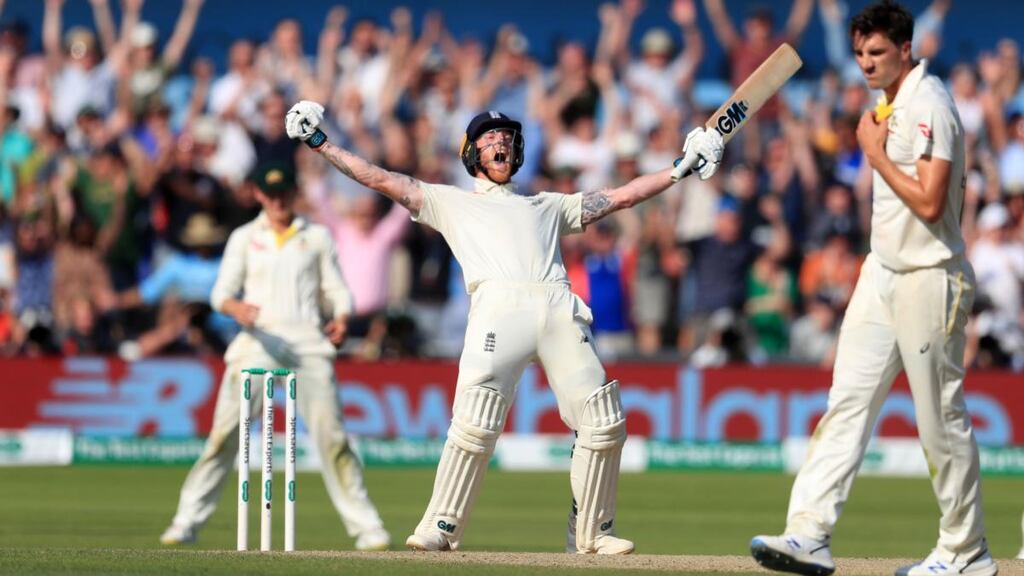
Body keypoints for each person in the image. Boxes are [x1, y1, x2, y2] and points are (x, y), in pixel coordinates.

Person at [284, 100, 723, 553]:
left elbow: (621, 196)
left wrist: (680, 167)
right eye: (490, 139)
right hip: (497, 307)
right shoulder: (449, 201)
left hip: (557, 305)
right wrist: (321, 143)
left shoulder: (547, 204)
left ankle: (592, 534)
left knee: (604, 422)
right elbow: (378, 177)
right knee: (474, 426)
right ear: (472, 153)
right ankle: (441, 526)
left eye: (507, 138)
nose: (501, 143)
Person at [750, 2, 996, 576]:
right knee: (846, 404)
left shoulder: (929, 103)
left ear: (906, 49)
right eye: (860, 53)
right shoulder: (887, 101)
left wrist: (874, 156)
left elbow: (933, 202)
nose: (865, 63)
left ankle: (966, 551)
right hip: (881, 273)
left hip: (931, 277)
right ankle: (808, 534)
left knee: (938, 419)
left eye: (877, 53)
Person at [159, 163, 391, 551]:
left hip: (307, 344)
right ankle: (186, 522)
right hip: (257, 344)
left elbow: (337, 289)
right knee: (223, 437)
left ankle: (367, 528)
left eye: (285, 193)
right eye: (272, 195)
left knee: (333, 439)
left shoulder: (316, 236)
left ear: (293, 194)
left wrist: (342, 316)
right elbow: (220, 293)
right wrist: (236, 308)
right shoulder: (244, 237)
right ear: (260, 196)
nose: (279, 200)